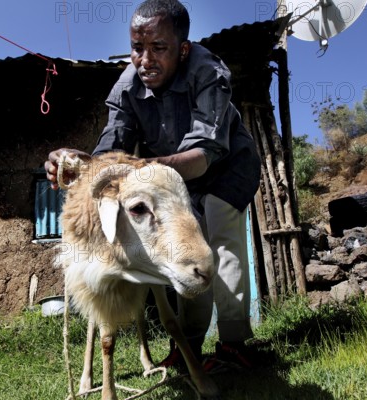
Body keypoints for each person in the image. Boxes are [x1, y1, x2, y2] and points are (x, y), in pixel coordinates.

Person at [45, 0, 261, 370]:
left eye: (158, 48)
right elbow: (110, 151)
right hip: (172, 182)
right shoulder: (127, 85)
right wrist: (80, 166)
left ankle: (234, 344)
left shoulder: (209, 72)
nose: (145, 60)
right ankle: (189, 346)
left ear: (183, 49)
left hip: (226, 169)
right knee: (185, 252)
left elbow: (203, 154)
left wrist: (140, 170)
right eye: (137, 48)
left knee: (221, 243)